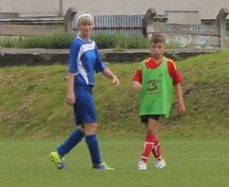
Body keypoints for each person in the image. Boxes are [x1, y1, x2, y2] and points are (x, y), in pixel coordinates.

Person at [48, 13, 120, 170]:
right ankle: (97, 162)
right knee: (92, 125)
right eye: (84, 25)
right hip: (80, 88)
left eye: (89, 25)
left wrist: (112, 76)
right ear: (78, 27)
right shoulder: (76, 44)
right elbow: (72, 69)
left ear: (93, 26)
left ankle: (59, 153)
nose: (87, 28)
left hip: (87, 88)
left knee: (85, 127)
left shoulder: (92, 44)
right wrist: (70, 91)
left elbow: (99, 65)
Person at [132, 32, 186, 169]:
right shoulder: (143, 65)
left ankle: (143, 161)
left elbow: (177, 83)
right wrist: (136, 83)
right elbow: (136, 79)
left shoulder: (169, 64)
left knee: (150, 129)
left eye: (159, 47)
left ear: (164, 49)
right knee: (151, 133)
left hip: (160, 102)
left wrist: (180, 102)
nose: (156, 50)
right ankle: (160, 160)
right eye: (154, 47)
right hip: (146, 102)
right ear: (150, 48)